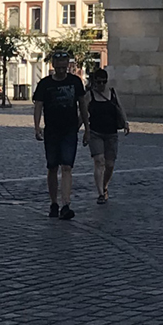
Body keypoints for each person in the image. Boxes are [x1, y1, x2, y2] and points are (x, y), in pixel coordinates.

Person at [32, 50, 88, 219]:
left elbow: (83, 105)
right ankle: (53, 203)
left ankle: (66, 204)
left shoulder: (75, 82)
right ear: (54, 66)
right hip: (51, 130)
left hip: (70, 130)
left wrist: (87, 128)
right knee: (52, 167)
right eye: (59, 67)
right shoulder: (45, 84)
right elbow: (38, 105)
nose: (62, 70)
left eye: (65, 67)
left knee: (67, 166)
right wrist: (37, 127)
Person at [85, 65, 131, 204]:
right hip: (95, 133)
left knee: (110, 164)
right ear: (94, 81)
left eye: (103, 82)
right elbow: (83, 114)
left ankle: (105, 186)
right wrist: (81, 129)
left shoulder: (112, 92)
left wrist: (125, 122)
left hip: (111, 133)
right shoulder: (90, 95)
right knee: (99, 161)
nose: (101, 85)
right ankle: (100, 193)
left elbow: (120, 108)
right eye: (98, 82)